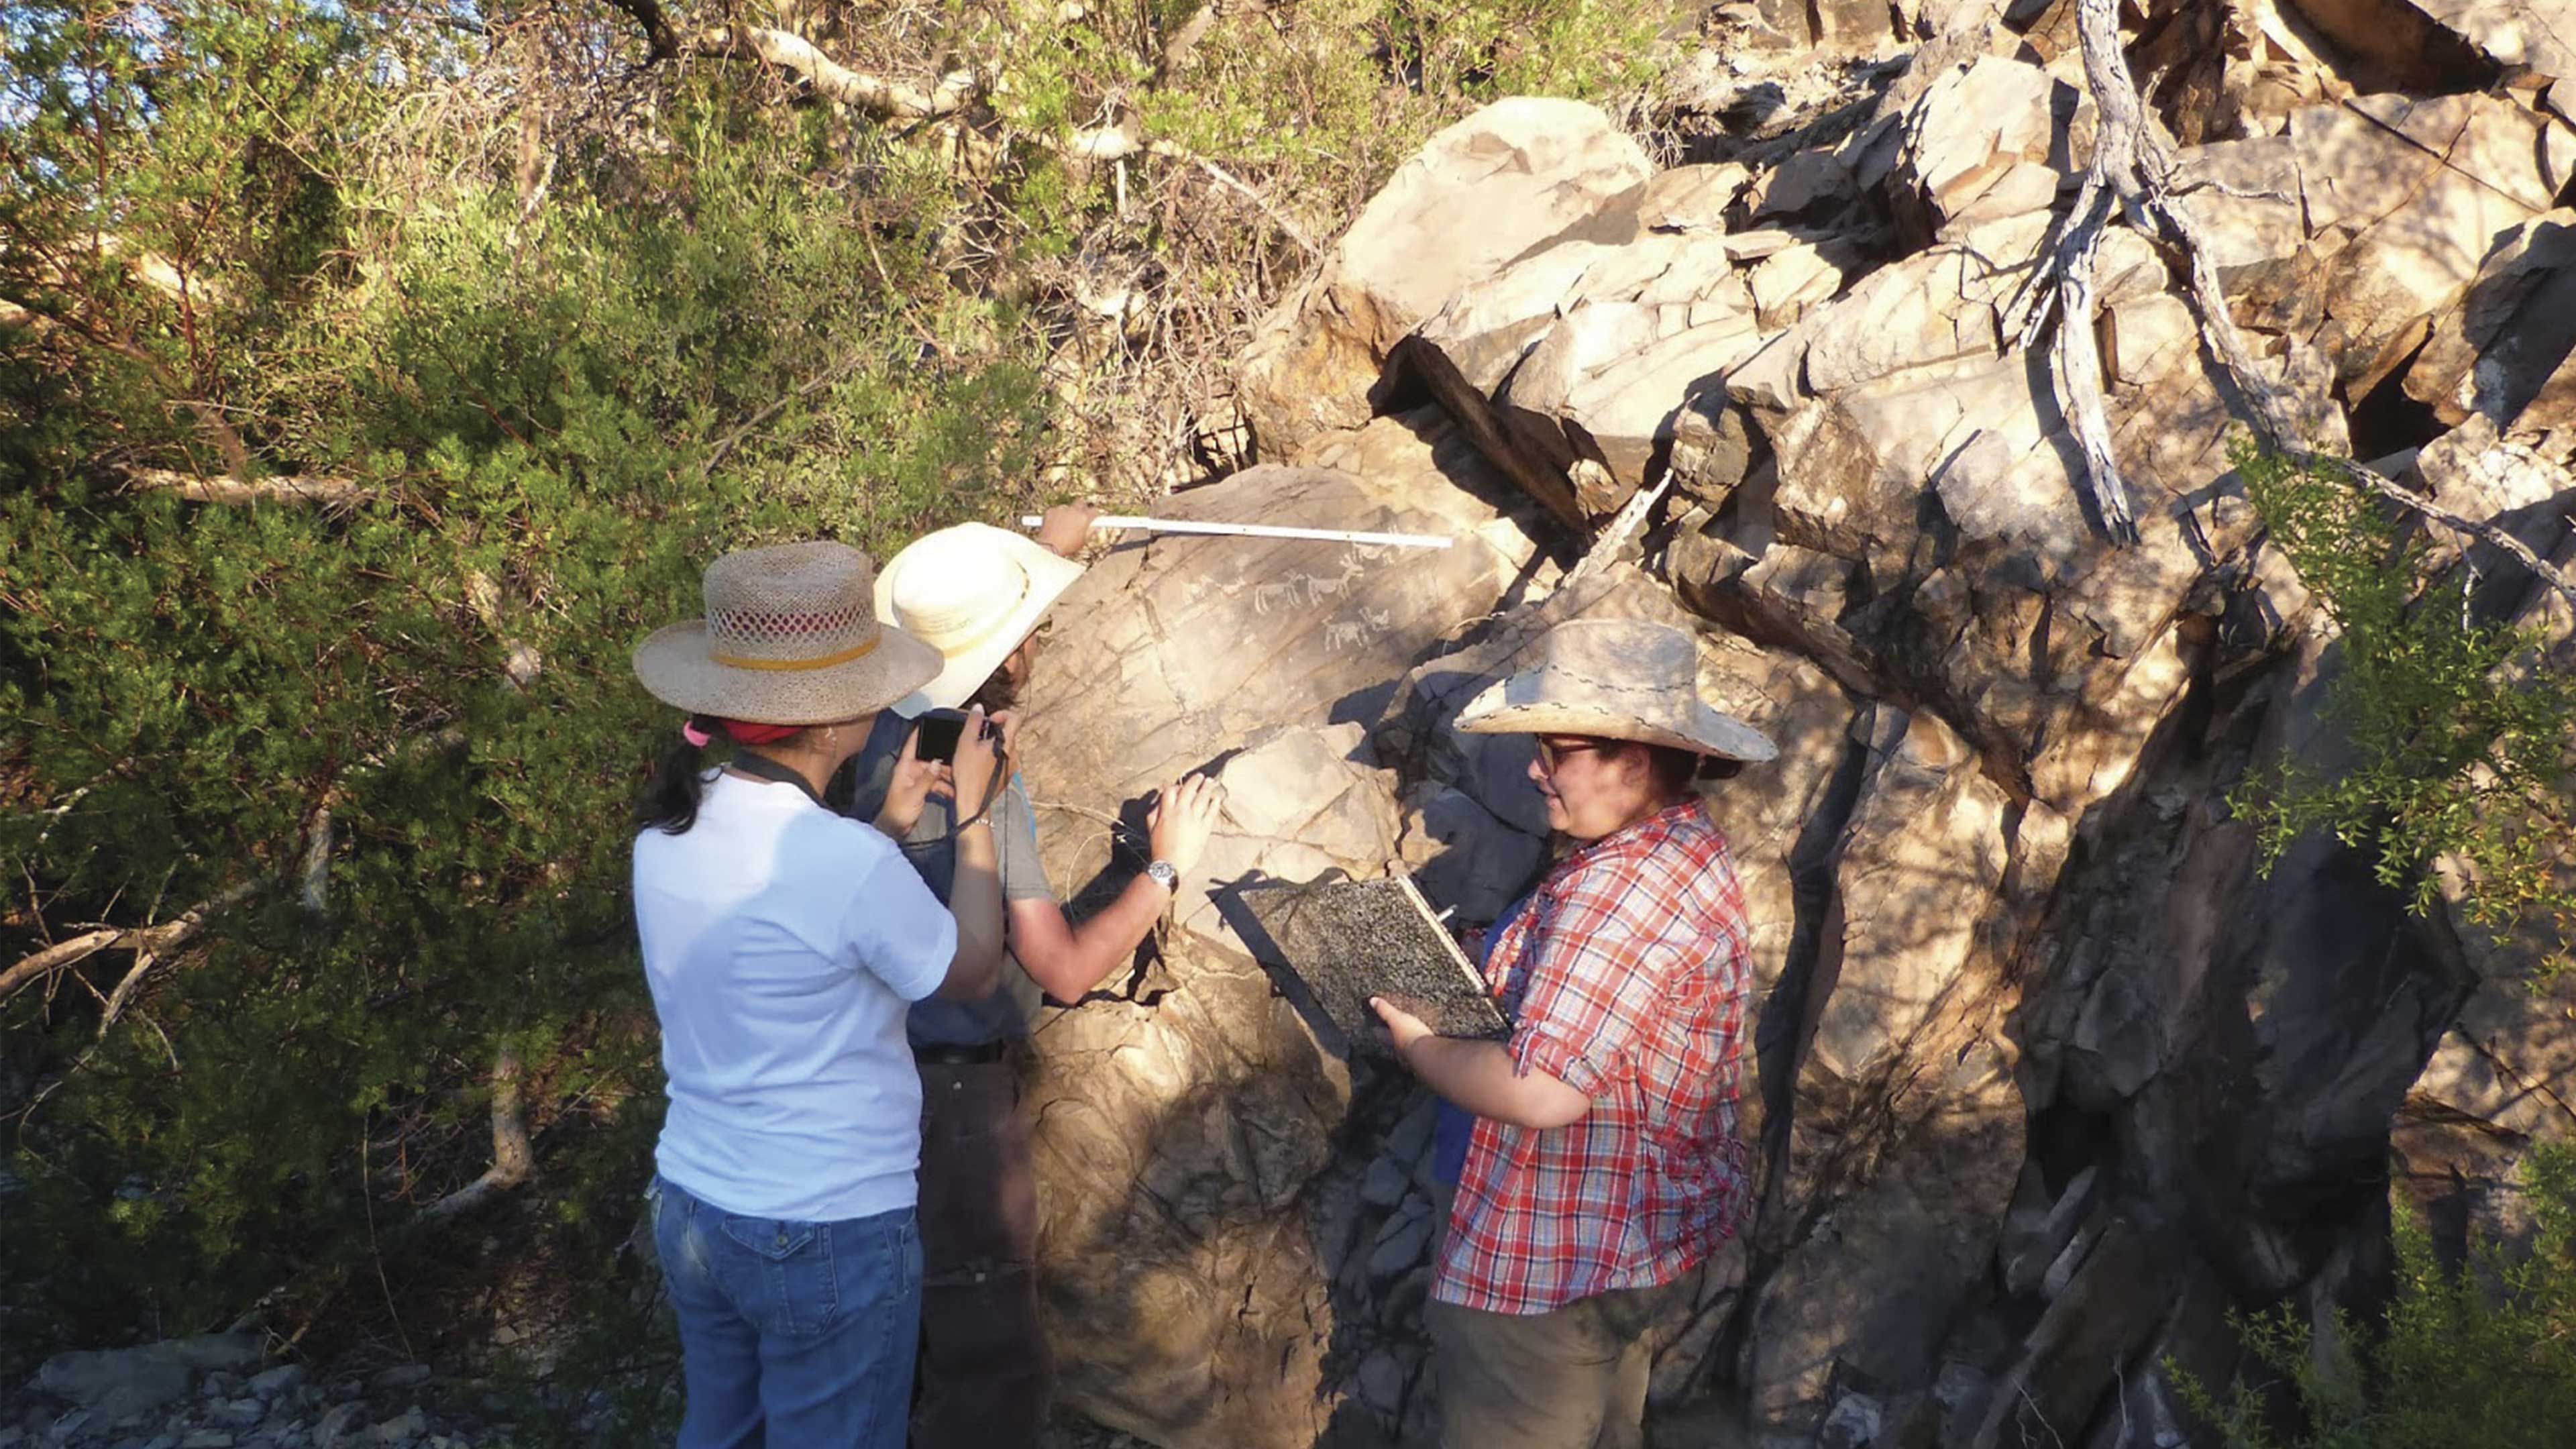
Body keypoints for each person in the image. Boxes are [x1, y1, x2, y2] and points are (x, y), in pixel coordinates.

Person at [843, 507, 1223, 1449]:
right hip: (953, 1098)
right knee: (990, 1371)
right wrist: (1166, 870)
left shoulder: (869, 726)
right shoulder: (973, 775)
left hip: (859, 1078)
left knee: (889, 1358)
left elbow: (961, 649)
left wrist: (1044, 556)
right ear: (1005, 655)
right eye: (1032, 629)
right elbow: (1061, 967)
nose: (1044, 638)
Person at [629, 539, 1011, 1449]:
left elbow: (790, 925)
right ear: (836, 722)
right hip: (824, 1224)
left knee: (719, 1430)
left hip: (695, 1201)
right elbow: (971, 969)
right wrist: (978, 817)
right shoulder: (844, 865)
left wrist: (886, 825)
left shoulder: (666, 832)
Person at [1369, 616, 1776, 1449]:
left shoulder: (1619, 889)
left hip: (1546, 1260)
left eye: (1555, 750)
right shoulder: (1679, 846)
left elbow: (1542, 1091)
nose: (1534, 769)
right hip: (1629, 1244)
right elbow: (1612, 1001)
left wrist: (1416, 1044)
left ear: (1632, 759)